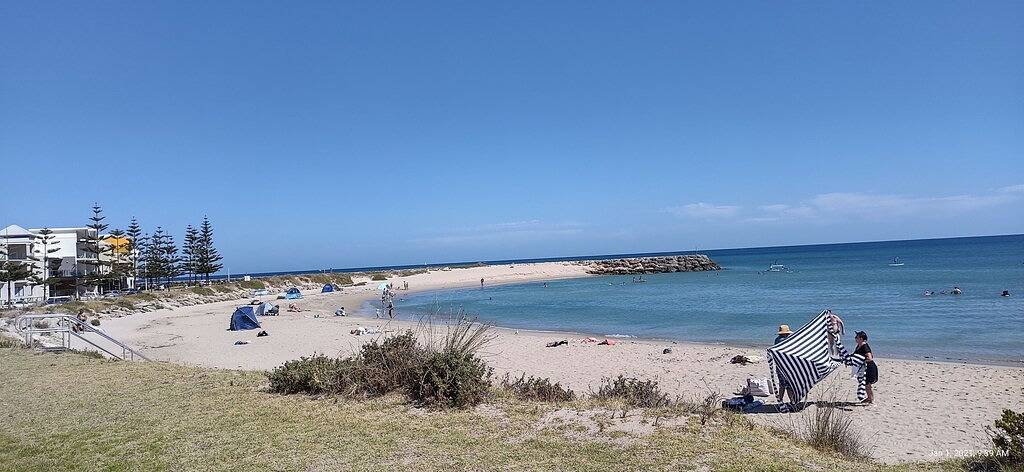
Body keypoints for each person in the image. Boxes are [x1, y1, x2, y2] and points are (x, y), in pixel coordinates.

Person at [854, 331, 878, 404]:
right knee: (865, 384)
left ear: (861, 338)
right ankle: (869, 398)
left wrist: (862, 360)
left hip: (869, 367)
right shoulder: (858, 346)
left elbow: (870, 358)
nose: (855, 338)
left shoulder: (865, 346)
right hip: (864, 367)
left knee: (867, 384)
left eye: (856, 337)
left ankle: (872, 400)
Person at [774, 325, 795, 403]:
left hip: (779, 365)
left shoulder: (777, 340)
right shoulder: (787, 340)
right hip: (787, 366)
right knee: (789, 385)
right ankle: (792, 401)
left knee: (782, 385)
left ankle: (781, 401)